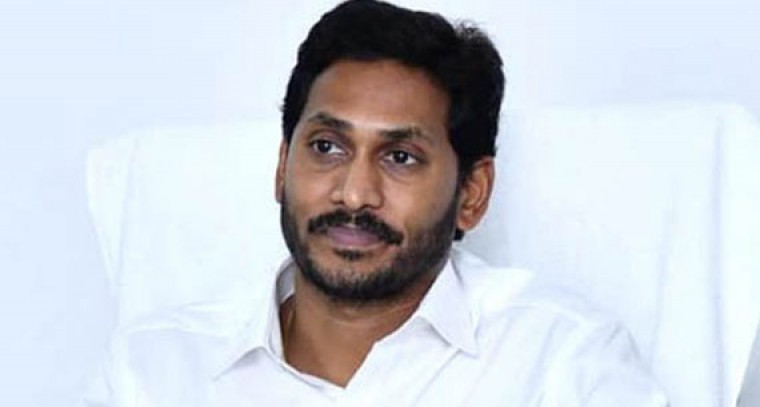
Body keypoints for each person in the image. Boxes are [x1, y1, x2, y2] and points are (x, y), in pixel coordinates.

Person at [83, 1, 669, 405]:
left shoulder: (563, 362)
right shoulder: (154, 371)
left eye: (401, 157)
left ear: (472, 194)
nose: (354, 193)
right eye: (327, 147)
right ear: (283, 165)